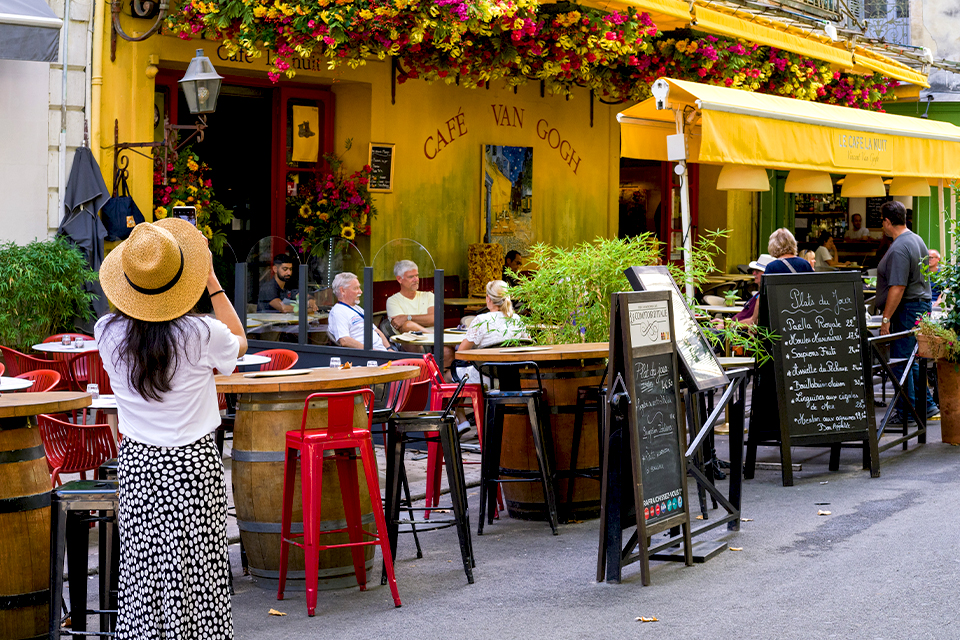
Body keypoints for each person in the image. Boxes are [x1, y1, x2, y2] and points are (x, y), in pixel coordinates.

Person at [95, 218, 247, 640]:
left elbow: (131, 324)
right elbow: (240, 340)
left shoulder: (106, 332)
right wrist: (212, 281)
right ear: (183, 279)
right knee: (199, 568)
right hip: (194, 464)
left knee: (144, 571)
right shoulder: (203, 332)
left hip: (140, 463)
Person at [876, 200, 938, 423]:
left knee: (903, 359)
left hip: (908, 307)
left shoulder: (901, 245)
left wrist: (886, 318)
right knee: (913, 357)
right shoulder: (917, 239)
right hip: (919, 305)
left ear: (887, 221)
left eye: (882, 221)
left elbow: (898, 287)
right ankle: (925, 406)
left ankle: (907, 412)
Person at [456, 280, 529, 383]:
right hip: (511, 378)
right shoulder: (516, 319)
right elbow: (528, 343)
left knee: (448, 375)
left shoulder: (481, 320)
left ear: (488, 298)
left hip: (484, 376)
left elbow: (461, 353)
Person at [327, 271, 390, 350]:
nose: (360, 291)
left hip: (382, 352)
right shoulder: (338, 312)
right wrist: (372, 351)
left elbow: (376, 330)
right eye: (356, 288)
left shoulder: (358, 308)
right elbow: (345, 340)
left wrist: (389, 348)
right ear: (342, 291)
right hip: (368, 356)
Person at [387, 260, 436, 333]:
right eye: (411, 277)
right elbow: (405, 327)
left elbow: (434, 319)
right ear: (399, 279)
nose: (416, 279)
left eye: (417, 275)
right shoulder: (393, 301)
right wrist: (425, 321)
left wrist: (408, 317)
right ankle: (434, 337)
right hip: (412, 343)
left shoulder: (429, 295)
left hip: (434, 343)